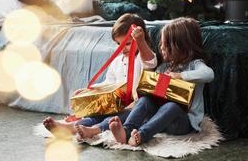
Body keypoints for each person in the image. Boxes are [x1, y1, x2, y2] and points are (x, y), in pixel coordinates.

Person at [43, 13, 157, 139]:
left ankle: (94, 131)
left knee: (113, 118)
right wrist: (90, 90)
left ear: (142, 39)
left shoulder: (142, 59)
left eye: (128, 43)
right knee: (96, 116)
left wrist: (140, 41)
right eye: (119, 44)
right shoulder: (117, 61)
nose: (123, 49)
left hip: (134, 109)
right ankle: (71, 127)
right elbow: (108, 83)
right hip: (116, 105)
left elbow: (150, 61)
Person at [109, 17, 214, 146]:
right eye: (162, 44)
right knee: (144, 101)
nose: (161, 47)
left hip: (182, 123)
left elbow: (209, 74)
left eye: (166, 44)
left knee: (172, 106)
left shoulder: (195, 65)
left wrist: (181, 75)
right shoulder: (163, 67)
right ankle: (126, 130)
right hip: (159, 119)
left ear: (181, 46)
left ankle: (142, 135)